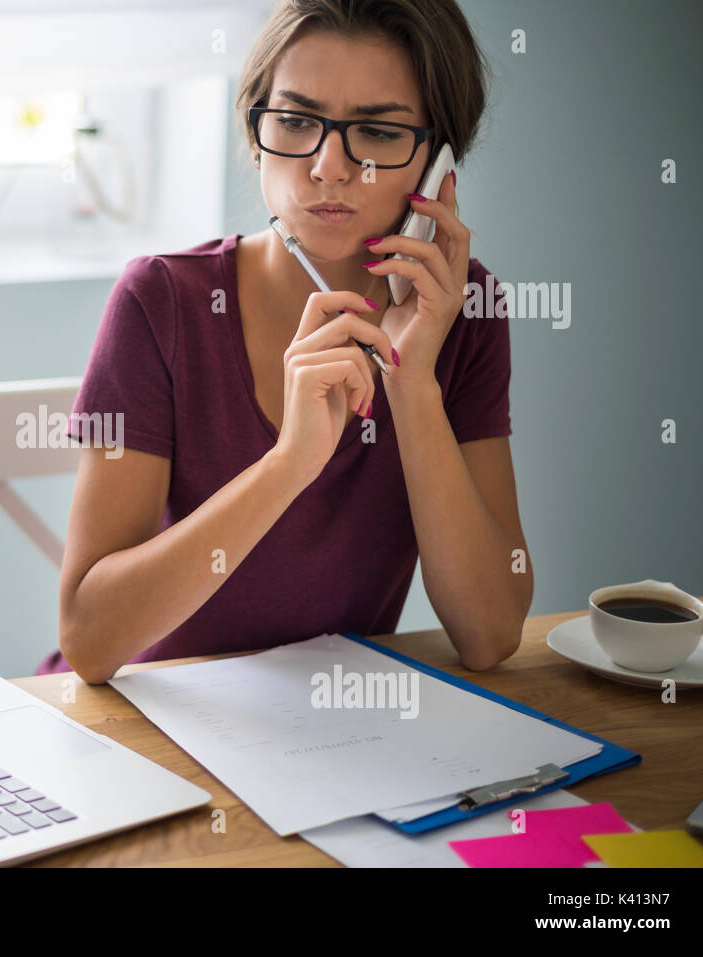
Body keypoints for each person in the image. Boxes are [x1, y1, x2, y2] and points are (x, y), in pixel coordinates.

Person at [38, 0, 532, 683]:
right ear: (254, 134)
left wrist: (412, 385)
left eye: (379, 132)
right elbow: (89, 641)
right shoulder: (159, 302)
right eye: (297, 121)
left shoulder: (464, 312)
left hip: (327, 737)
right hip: (139, 727)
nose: (330, 167)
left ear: (439, 165)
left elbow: (491, 632)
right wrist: (290, 462)